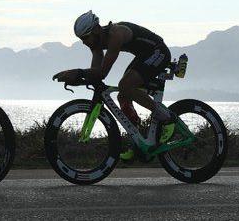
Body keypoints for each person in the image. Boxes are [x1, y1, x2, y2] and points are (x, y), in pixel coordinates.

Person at [53, 11, 177, 161]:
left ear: (97, 30)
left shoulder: (115, 35)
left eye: (85, 37)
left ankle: (167, 117)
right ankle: (138, 142)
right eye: (81, 39)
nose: (84, 42)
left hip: (159, 52)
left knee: (125, 85)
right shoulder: (95, 42)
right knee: (123, 95)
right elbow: (96, 74)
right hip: (144, 55)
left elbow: (102, 72)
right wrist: (77, 78)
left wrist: (78, 73)